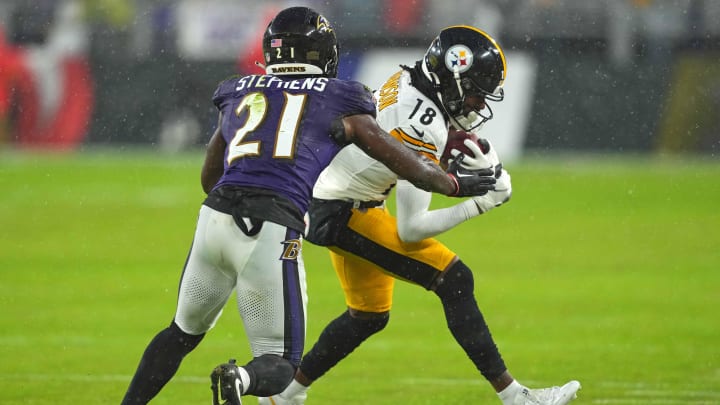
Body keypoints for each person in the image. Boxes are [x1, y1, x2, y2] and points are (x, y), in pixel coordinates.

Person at [120, 7, 497, 405]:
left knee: (180, 334)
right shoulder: (340, 97)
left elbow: (208, 178)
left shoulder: (238, 89)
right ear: (322, 52)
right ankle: (240, 380)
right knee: (281, 368)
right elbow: (404, 162)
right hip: (270, 224)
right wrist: (454, 185)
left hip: (214, 216)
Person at [260, 26, 581, 405]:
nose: (479, 104)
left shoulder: (413, 83)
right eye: (477, 91)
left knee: (368, 316)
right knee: (455, 279)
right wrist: (480, 202)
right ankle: (516, 397)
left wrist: (447, 157)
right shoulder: (421, 122)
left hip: (338, 198)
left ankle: (284, 394)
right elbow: (412, 229)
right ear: (453, 77)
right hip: (339, 209)